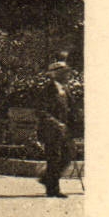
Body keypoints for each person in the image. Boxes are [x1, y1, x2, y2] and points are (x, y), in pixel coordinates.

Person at [37, 59, 75, 198]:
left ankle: (47, 178)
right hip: (51, 130)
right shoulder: (48, 90)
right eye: (64, 73)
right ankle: (53, 189)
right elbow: (41, 111)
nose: (67, 75)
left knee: (68, 155)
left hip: (64, 129)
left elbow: (70, 109)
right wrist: (56, 123)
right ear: (55, 74)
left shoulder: (65, 89)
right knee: (54, 158)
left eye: (67, 72)